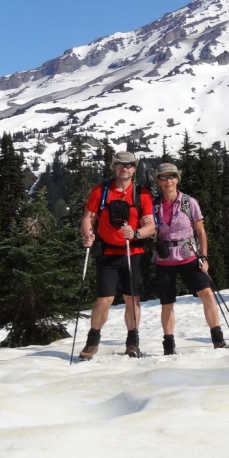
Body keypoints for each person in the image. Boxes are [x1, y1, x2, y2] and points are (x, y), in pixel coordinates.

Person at [78, 152, 156, 360]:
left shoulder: (143, 194)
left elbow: (151, 225)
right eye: (120, 165)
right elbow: (88, 218)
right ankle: (92, 342)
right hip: (108, 253)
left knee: (132, 299)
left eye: (129, 165)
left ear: (134, 168)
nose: (125, 168)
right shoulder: (101, 191)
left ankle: (132, 341)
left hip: (134, 252)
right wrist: (88, 235)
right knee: (104, 299)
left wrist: (136, 233)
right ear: (114, 167)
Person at [151, 162, 229, 355]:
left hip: (189, 256)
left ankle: (218, 339)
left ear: (178, 179)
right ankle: (168, 346)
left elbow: (200, 231)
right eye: (164, 177)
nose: (168, 181)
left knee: (208, 294)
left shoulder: (189, 202)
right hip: (164, 259)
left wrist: (204, 257)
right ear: (158, 181)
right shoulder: (153, 205)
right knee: (167, 302)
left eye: (172, 176)